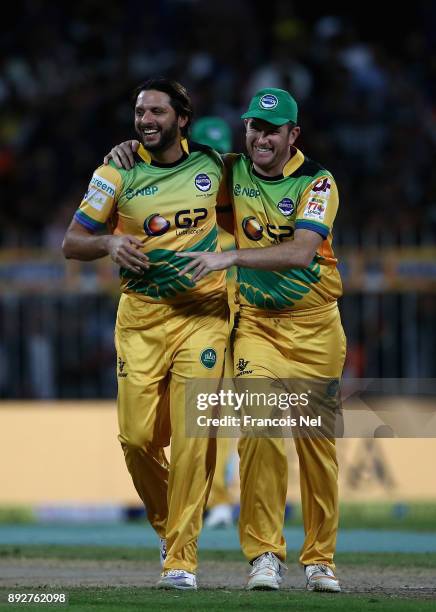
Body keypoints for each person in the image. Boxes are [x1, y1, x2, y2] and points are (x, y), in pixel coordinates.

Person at [105, 87, 346, 593]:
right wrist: (126, 154)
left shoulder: (317, 182)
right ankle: (264, 554)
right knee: (260, 432)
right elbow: (170, 172)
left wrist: (230, 258)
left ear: (292, 135)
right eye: (254, 127)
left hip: (317, 327)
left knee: (317, 448)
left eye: (272, 129)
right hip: (256, 324)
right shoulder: (227, 170)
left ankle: (320, 559)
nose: (260, 137)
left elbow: (302, 253)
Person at [62, 77, 230, 591]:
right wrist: (110, 247)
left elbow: (261, 192)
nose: (146, 121)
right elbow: (73, 242)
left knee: (192, 437)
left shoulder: (216, 167)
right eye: (140, 113)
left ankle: (181, 559)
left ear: (183, 118)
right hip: (140, 318)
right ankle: (169, 528)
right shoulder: (116, 170)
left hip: (203, 316)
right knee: (137, 440)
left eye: (157, 111)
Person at [191, 116, 237, 529]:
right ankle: (213, 497)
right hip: (197, 324)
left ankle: (222, 498)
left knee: (217, 414)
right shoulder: (183, 204)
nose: (217, 164)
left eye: (222, 155)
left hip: (240, 324)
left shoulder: (238, 201)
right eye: (210, 153)